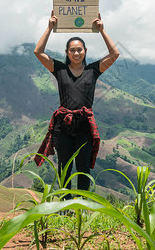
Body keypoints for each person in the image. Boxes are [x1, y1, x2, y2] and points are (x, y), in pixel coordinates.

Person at [34, 10, 119, 197]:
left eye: (79, 49)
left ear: (85, 51)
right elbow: (38, 52)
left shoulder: (93, 70)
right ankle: (65, 208)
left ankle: (81, 206)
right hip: (62, 128)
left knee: (83, 169)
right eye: (72, 50)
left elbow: (114, 54)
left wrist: (102, 30)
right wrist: (49, 28)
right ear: (67, 52)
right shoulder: (60, 69)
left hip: (84, 128)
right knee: (64, 168)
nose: (76, 52)